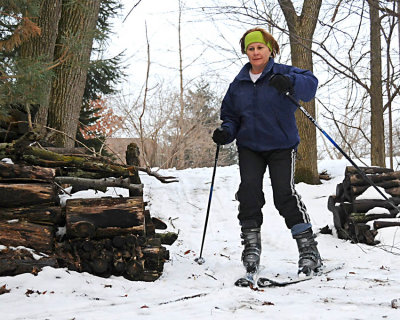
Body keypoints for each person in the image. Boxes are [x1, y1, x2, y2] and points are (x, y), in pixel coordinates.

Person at [212, 27, 322, 285]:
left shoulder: (283, 72)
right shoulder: (238, 84)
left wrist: (291, 82)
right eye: (251, 49)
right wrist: (226, 132)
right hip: (250, 146)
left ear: (269, 49)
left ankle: (308, 250)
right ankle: (251, 248)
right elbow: (230, 116)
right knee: (249, 192)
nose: (255, 52)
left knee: (284, 194)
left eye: (260, 47)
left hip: (281, 146)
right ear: (246, 52)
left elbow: (310, 86)